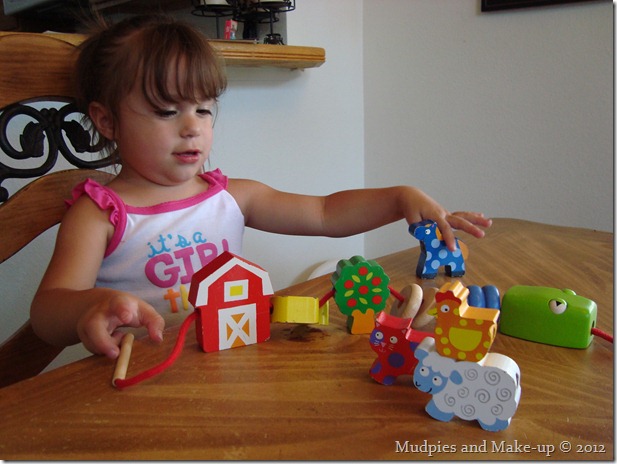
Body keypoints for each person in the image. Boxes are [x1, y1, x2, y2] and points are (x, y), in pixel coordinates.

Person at [30, 14, 492, 360]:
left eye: (204, 109)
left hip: (237, 363)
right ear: (107, 120)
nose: (192, 127)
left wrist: (398, 198)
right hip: (143, 379)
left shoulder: (232, 197)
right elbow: (47, 312)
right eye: (167, 111)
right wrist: (91, 306)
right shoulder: (100, 214)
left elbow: (326, 213)